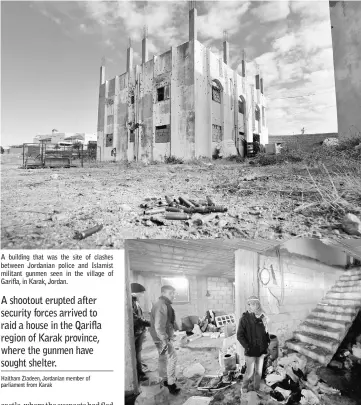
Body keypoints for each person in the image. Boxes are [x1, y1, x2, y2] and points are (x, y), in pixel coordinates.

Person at [149, 285, 180, 395]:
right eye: (170, 293)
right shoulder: (162, 305)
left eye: (173, 293)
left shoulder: (163, 304)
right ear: (163, 293)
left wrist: (172, 332)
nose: (173, 295)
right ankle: (171, 383)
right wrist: (165, 339)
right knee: (173, 357)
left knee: (163, 358)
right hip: (161, 337)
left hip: (159, 336)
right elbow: (159, 325)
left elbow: (167, 321)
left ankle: (164, 381)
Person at [237, 295, 270, 393]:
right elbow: (240, 335)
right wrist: (247, 347)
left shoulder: (263, 317)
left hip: (261, 350)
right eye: (250, 304)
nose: (252, 306)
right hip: (250, 351)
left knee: (259, 372)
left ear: (258, 305)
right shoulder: (244, 318)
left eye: (254, 304)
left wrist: (266, 345)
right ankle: (244, 388)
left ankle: (256, 388)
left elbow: (266, 333)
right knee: (250, 372)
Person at [131, 282, 151, 382]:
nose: (142, 295)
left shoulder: (135, 301)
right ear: (135, 292)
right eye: (141, 293)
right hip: (135, 332)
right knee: (135, 354)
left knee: (138, 353)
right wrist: (148, 323)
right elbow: (135, 318)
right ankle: (139, 375)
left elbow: (140, 316)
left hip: (139, 331)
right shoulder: (130, 301)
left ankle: (139, 371)